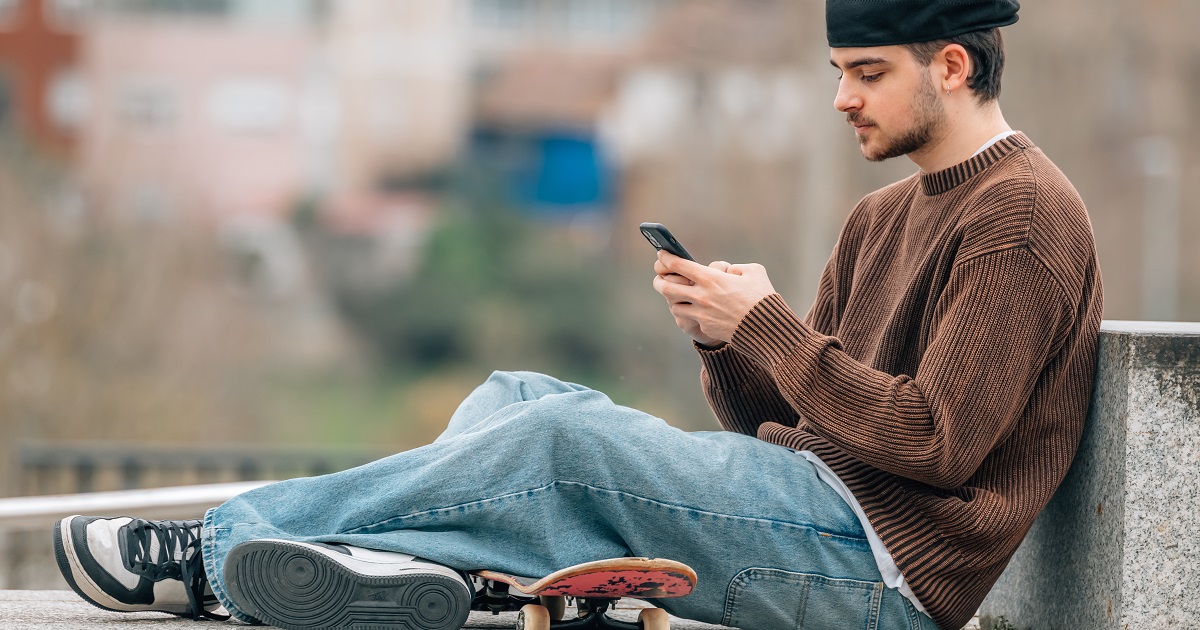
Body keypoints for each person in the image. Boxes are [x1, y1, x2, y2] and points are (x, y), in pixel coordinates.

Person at [51, 0, 1103, 628]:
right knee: (519, 397)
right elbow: (786, 422)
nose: (844, 99)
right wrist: (726, 342)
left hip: (880, 571)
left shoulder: (1021, 216)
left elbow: (936, 441)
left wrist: (770, 326)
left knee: (556, 442)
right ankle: (409, 570)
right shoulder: (883, 215)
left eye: (867, 74)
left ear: (953, 66)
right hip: (811, 500)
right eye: (839, 74)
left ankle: (209, 554)